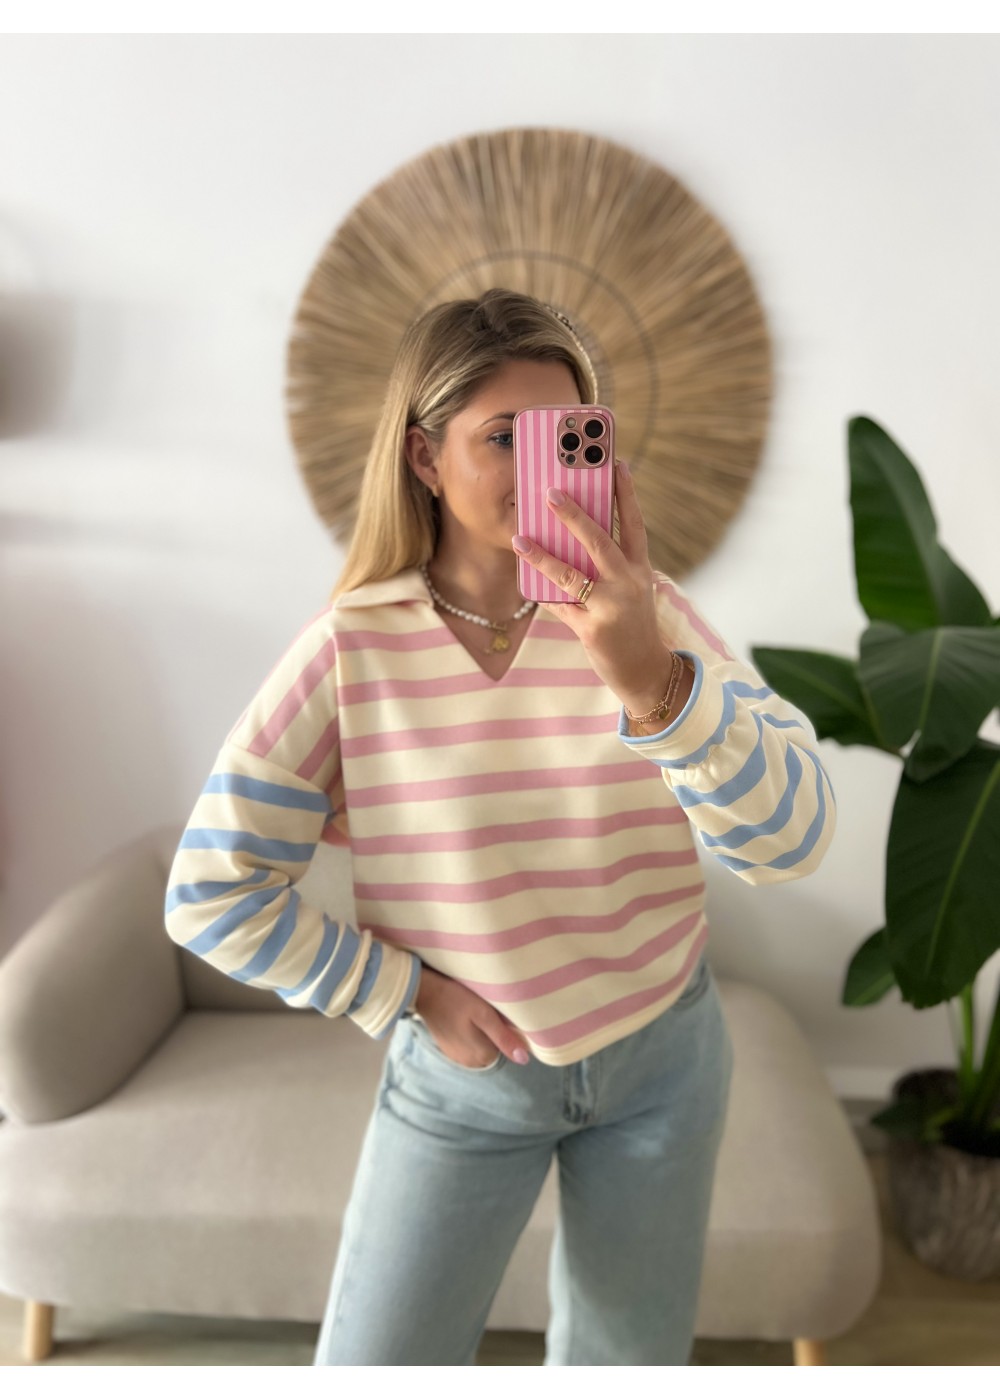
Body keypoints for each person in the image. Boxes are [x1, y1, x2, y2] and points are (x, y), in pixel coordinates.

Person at [163, 287, 837, 1365]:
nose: (542, 466)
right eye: (502, 437)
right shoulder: (351, 651)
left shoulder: (649, 619)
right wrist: (405, 990)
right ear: (423, 457)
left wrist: (652, 684)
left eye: (565, 435)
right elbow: (209, 892)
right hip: (466, 1079)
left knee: (626, 1368)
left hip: (666, 1059)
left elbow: (792, 841)